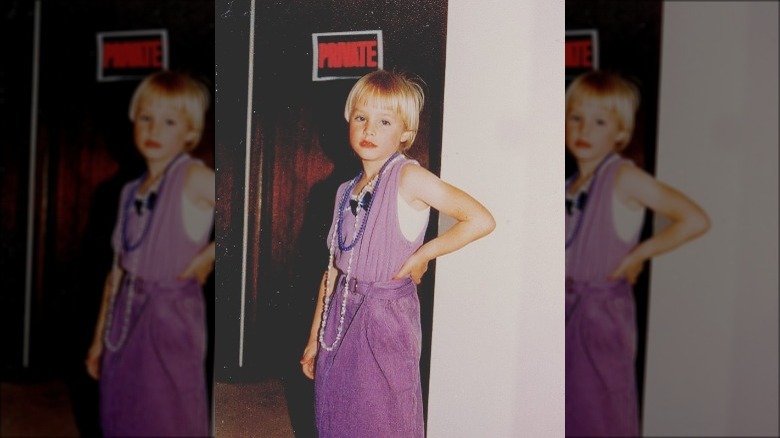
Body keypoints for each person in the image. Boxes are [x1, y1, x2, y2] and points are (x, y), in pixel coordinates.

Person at [299, 70, 495, 437]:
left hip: (385, 318)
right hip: (340, 314)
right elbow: (333, 273)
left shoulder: (408, 178)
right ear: (349, 123)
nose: (369, 130)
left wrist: (424, 255)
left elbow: (480, 219)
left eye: (384, 121)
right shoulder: (345, 191)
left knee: (381, 416)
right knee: (335, 411)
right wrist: (313, 337)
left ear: (405, 132)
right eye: (361, 118)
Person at [565, 70, 710, 437]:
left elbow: (694, 219)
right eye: (576, 117)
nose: (584, 129)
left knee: (602, 414)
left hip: (600, 315)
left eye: (599, 121)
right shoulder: (569, 185)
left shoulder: (622, 178)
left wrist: (639, 255)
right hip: (565, 309)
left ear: (620, 132)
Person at [84, 70, 215, 437]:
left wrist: (209, 255)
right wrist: (97, 342)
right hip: (126, 311)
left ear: (189, 132)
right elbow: (116, 273)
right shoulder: (129, 192)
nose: (154, 130)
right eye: (146, 118)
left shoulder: (192, 177)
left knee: (168, 409)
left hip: (171, 314)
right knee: (121, 403)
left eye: (169, 121)